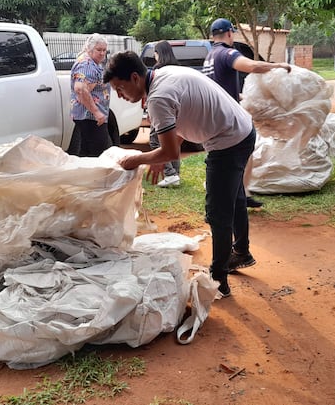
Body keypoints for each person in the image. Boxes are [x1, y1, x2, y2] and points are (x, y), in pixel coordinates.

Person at [104, 50, 257, 298]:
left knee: (218, 212)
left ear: (134, 78)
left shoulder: (158, 98)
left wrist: (136, 159)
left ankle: (218, 280)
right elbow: (181, 123)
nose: (120, 95)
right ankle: (241, 252)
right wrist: (160, 156)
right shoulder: (164, 74)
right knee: (235, 197)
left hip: (228, 140)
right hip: (243, 129)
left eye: (120, 89)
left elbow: (171, 152)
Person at [202, 18, 292, 209]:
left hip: (214, 116)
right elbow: (252, 66)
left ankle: (239, 192)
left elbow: (219, 87)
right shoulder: (227, 53)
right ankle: (236, 195)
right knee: (239, 151)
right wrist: (277, 66)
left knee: (235, 155)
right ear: (229, 33)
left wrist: (243, 97)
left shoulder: (210, 56)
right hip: (226, 119)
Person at [67, 34, 111, 157]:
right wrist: (96, 112)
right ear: (90, 49)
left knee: (86, 152)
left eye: (104, 50)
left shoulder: (92, 63)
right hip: (90, 117)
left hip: (89, 117)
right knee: (98, 153)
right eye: (99, 50)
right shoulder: (86, 64)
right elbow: (80, 89)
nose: (102, 53)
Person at [147, 40, 182, 187]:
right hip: (178, 108)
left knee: (155, 140)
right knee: (173, 140)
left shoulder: (158, 69)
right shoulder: (177, 67)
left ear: (158, 53)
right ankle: (175, 172)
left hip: (162, 109)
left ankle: (170, 173)